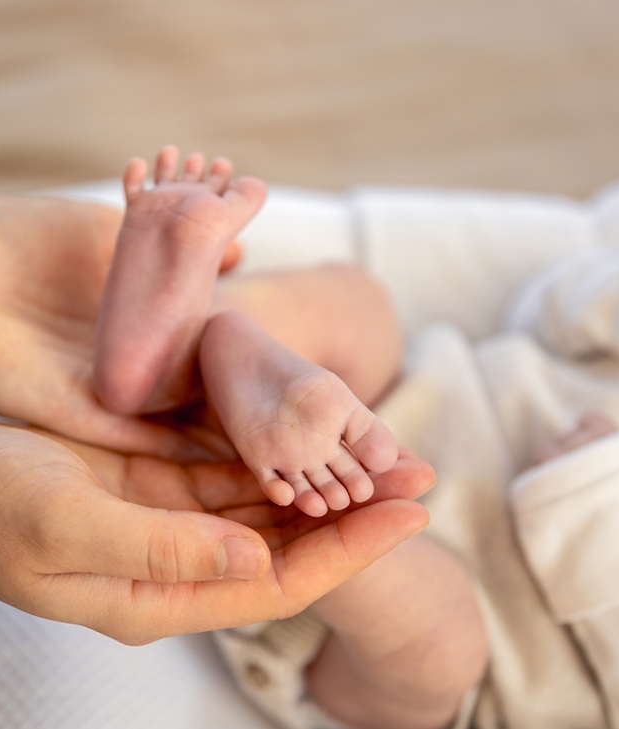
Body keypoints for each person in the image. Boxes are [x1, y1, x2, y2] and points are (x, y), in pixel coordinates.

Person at [0, 97, 435, 728]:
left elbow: (394, 702)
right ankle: (210, 348)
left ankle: (191, 353)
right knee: (357, 305)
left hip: (392, 501)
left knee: (437, 649)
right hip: (408, 413)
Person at [216, 228, 619, 729]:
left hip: (463, 631)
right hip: (391, 408)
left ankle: (286, 513)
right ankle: (195, 337)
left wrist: (610, 512)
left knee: (436, 644)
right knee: (358, 304)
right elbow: (542, 311)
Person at [93, 146, 401, 517]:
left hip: (253, 372)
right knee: (359, 305)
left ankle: (195, 344)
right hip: (277, 432)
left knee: (357, 298)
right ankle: (207, 345)